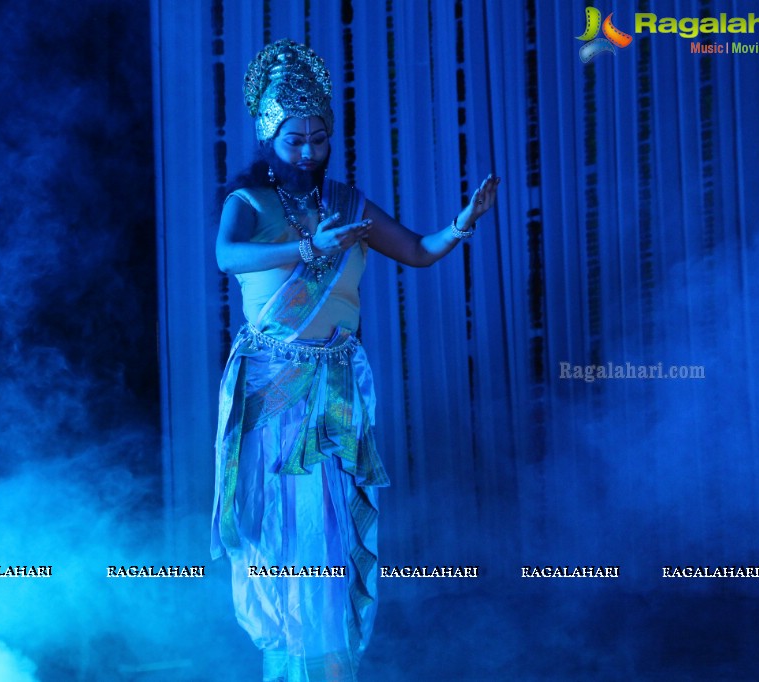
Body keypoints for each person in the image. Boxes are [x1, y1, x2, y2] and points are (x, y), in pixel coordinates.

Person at [210, 38, 500, 681]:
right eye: (295, 140)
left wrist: (460, 224)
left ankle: (330, 667)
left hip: (333, 393)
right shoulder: (248, 204)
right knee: (287, 536)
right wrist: (306, 247)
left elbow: (419, 251)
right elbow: (227, 259)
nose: (309, 152)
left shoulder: (347, 204)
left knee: (331, 536)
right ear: (270, 137)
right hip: (274, 390)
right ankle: (294, 670)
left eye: (319, 138)